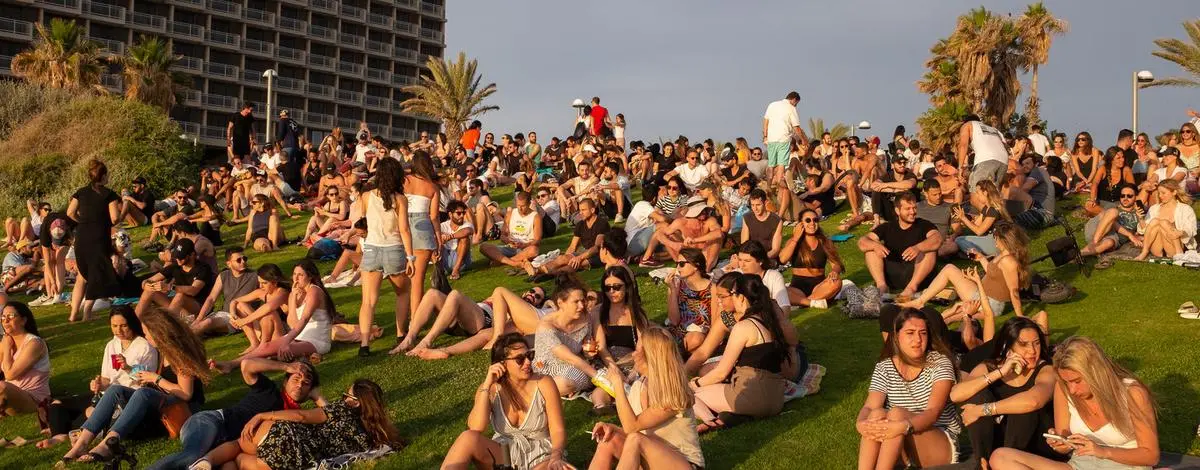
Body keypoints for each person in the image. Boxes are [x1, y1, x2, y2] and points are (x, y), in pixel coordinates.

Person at [62, 307, 211, 463]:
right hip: (165, 400)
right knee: (115, 390)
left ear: (158, 333)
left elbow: (186, 394)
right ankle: (81, 443)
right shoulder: (163, 351)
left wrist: (156, 379)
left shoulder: (180, 354)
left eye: (146, 333)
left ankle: (108, 444)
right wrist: (131, 370)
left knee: (143, 393)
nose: (145, 336)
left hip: (183, 407)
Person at [989, 337, 1160, 470]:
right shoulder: (1063, 388)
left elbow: (1151, 456)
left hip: (1126, 466)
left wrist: (1103, 451)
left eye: (1077, 381)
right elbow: (1065, 446)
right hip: (1079, 466)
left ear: (1095, 372)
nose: (1071, 389)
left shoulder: (1132, 393)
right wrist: (1061, 444)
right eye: (1066, 381)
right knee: (1001, 457)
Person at [147, 358, 320, 470]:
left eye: (306, 383)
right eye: (295, 379)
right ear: (285, 381)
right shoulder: (269, 390)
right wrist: (286, 366)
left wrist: (317, 396)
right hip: (213, 422)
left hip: (228, 448)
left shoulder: (297, 416)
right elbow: (247, 365)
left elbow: (330, 418)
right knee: (192, 456)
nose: (299, 385)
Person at [441, 334, 571, 470]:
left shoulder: (544, 383)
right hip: (505, 453)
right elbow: (476, 427)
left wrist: (556, 456)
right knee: (467, 438)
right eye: (520, 359)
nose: (528, 362)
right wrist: (487, 385)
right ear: (502, 363)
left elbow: (558, 430)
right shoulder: (491, 389)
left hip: (542, 454)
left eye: (529, 355)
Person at [856, 308, 962, 470]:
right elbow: (870, 406)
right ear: (897, 336)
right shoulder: (885, 367)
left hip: (938, 442)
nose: (918, 339)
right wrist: (861, 424)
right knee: (876, 415)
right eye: (910, 333)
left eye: (923, 333)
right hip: (898, 439)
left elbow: (933, 412)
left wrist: (904, 426)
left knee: (896, 414)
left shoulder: (940, 363)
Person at [40, 307, 159, 449]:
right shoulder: (112, 345)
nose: (118, 331)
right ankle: (60, 434)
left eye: (123, 326)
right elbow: (106, 378)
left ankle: (63, 432)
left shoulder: (144, 347)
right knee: (57, 404)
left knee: (89, 413)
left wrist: (128, 368)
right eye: (114, 326)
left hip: (126, 397)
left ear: (132, 324)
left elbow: (146, 381)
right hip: (105, 393)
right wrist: (98, 384)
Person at [589, 327, 706, 469]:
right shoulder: (639, 385)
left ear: (650, 356)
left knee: (635, 439)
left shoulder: (673, 392)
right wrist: (612, 428)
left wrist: (618, 385)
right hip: (652, 456)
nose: (633, 354)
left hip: (683, 463)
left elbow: (632, 427)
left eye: (637, 350)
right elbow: (637, 428)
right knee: (609, 440)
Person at [950, 317, 1057, 467]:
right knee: (977, 395)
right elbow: (955, 395)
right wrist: (1000, 372)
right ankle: (983, 462)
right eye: (1023, 344)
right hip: (997, 446)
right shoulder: (992, 366)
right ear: (1008, 346)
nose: (1032, 351)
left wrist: (981, 410)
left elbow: (1033, 401)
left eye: (1036, 343)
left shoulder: (1046, 370)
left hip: (1035, 448)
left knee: (1022, 407)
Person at [689, 274, 790, 433]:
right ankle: (735, 416)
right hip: (776, 399)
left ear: (741, 297)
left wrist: (693, 385)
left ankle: (711, 421)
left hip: (752, 397)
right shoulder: (769, 319)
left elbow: (720, 373)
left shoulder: (743, 327)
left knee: (690, 395)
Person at [231, 378, 402, 470]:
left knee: (237, 449)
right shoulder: (369, 438)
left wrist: (263, 415)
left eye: (346, 396)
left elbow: (301, 416)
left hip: (285, 436)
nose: (343, 399)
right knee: (239, 462)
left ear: (356, 402)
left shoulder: (342, 409)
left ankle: (213, 460)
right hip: (298, 460)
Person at [214, 261, 335, 370]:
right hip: (298, 336)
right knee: (268, 348)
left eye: (300, 275)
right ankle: (236, 362)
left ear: (310, 276)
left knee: (273, 349)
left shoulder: (314, 291)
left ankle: (232, 364)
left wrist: (286, 341)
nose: (296, 278)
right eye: (294, 274)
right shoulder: (294, 293)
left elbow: (304, 319)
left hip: (316, 340)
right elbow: (292, 323)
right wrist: (293, 297)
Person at [903, 222, 1030, 321]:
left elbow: (1013, 290)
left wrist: (1019, 315)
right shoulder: (1002, 254)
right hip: (982, 294)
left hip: (991, 303)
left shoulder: (1009, 261)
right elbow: (993, 273)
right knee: (949, 269)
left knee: (954, 313)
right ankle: (920, 302)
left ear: (1003, 240)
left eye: (995, 238)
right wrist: (981, 258)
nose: (994, 241)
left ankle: (923, 305)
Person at [357, 157, 415, 357]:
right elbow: (404, 230)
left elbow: (363, 221)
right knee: (403, 293)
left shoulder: (366, 196)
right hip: (394, 249)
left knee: (368, 301)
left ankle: (364, 344)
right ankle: (400, 334)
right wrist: (410, 257)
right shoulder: (400, 199)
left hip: (372, 249)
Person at [66, 159, 122, 322]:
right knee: (96, 275)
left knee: (82, 276)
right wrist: (123, 209)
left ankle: (73, 315)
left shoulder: (81, 192)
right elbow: (115, 218)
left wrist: (83, 222)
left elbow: (70, 212)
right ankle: (87, 314)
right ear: (103, 176)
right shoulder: (109, 194)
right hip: (98, 237)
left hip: (81, 236)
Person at [857, 193, 941, 300]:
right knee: (871, 250)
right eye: (908, 209)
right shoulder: (888, 226)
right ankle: (882, 287)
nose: (912, 212)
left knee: (930, 250)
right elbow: (862, 242)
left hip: (916, 272)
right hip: (892, 272)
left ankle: (911, 289)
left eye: (914, 208)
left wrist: (918, 248)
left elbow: (937, 239)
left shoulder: (924, 225)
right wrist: (875, 245)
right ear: (897, 210)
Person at [590, 266, 650, 411]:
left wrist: (634, 371)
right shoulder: (598, 311)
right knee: (601, 392)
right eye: (607, 288)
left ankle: (623, 403)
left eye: (616, 287)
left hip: (634, 360)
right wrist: (615, 370)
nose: (611, 292)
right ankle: (602, 407)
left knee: (642, 384)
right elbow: (602, 348)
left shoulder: (636, 312)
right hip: (608, 361)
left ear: (626, 287)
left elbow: (642, 346)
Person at [533, 281, 599, 396]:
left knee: (571, 379)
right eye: (576, 302)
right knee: (563, 384)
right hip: (546, 368)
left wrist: (588, 353)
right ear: (560, 303)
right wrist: (598, 377)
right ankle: (545, 390)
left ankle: (558, 390)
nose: (581, 306)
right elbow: (568, 357)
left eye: (582, 300)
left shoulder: (586, 318)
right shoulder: (546, 326)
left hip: (574, 366)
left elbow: (586, 349)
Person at [524, 198, 608, 280]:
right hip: (584, 252)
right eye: (580, 210)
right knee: (562, 258)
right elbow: (572, 246)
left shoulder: (601, 223)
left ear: (592, 210)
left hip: (600, 254)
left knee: (575, 264)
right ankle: (537, 271)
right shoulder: (580, 225)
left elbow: (596, 248)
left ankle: (549, 275)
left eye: (583, 210)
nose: (580, 213)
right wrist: (566, 257)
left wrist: (579, 258)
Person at [778, 209, 845, 308]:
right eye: (808, 220)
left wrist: (835, 271)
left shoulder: (825, 242)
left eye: (815, 220)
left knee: (837, 282)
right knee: (777, 290)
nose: (812, 223)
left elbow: (836, 264)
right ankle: (812, 302)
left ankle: (804, 302)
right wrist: (795, 238)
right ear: (800, 224)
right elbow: (782, 259)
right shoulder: (793, 242)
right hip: (797, 288)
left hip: (819, 287)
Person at [134, 239, 214, 320]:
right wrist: (146, 285)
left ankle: (170, 323)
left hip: (199, 306)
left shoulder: (203, 268)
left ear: (192, 255)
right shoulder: (176, 266)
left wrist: (170, 287)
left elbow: (194, 290)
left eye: (181, 257)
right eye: (177, 256)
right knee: (149, 291)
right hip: (178, 306)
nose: (178, 259)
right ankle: (134, 322)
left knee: (180, 296)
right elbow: (148, 280)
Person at [0, 302, 50, 421]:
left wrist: (7, 349)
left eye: (11, 316)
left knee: (2, 387)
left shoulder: (34, 343)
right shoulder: (7, 341)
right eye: (3, 317)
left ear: (23, 320)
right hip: (10, 395)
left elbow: (10, 375)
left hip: (32, 398)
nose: (6, 320)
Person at [192, 248, 259, 336]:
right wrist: (199, 318)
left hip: (242, 314)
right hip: (225, 315)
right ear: (229, 264)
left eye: (244, 258)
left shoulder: (255, 276)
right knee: (200, 322)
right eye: (238, 260)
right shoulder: (224, 275)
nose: (243, 261)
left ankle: (185, 339)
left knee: (207, 322)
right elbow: (211, 299)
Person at [1134, 179, 1197, 260]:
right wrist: (1141, 218)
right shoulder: (1154, 208)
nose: (1160, 196)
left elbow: (1191, 229)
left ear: (1174, 192)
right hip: (1157, 249)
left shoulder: (1185, 209)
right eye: (1159, 193)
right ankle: (1144, 252)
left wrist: (1180, 232)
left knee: (1164, 222)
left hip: (1174, 247)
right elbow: (1144, 231)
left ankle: (1179, 253)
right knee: (1155, 221)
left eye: (1163, 193)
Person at [480, 191, 542, 271]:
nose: (520, 208)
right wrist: (508, 241)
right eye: (518, 205)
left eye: (523, 206)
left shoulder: (535, 217)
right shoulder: (510, 213)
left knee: (534, 250)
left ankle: (502, 261)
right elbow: (503, 235)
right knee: (483, 246)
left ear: (529, 204)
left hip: (525, 247)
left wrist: (524, 245)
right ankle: (514, 262)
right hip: (510, 246)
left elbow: (537, 240)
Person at [1082, 184, 1144, 257]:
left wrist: (1140, 218)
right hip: (1097, 228)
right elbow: (1108, 221)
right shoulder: (1114, 206)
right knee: (1113, 212)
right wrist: (1130, 235)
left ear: (1136, 197)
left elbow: (1144, 231)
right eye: (1122, 196)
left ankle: (1077, 255)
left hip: (1113, 237)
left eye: (1129, 196)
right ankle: (1094, 242)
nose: (1125, 198)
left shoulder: (1138, 212)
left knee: (1109, 243)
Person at [954, 180, 1011, 256]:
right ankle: (974, 253)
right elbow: (976, 225)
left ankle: (980, 256)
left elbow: (979, 231)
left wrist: (964, 218)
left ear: (985, 193)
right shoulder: (986, 208)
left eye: (978, 193)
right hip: (989, 238)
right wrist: (963, 218)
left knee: (959, 241)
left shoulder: (993, 210)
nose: (976, 196)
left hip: (997, 242)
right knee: (960, 239)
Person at [729, 240, 791, 311]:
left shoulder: (773, 277)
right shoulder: (735, 275)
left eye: (747, 261)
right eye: (740, 260)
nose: (742, 265)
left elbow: (784, 306)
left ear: (760, 261)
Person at [763, 91, 806, 188]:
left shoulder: (772, 104)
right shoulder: (791, 108)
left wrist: (765, 136)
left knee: (771, 165)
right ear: (794, 99)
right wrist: (803, 140)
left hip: (771, 139)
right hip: (784, 139)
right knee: (781, 165)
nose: (796, 105)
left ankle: (768, 187)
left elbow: (765, 121)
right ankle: (780, 184)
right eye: (796, 103)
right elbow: (796, 127)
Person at [957, 115, 1009, 189]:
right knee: (993, 191)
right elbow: (1005, 146)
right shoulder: (994, 129)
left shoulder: (967, 125)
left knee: (977, 190)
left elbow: (963, 145)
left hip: (986, 159)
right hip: (1004, 160)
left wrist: (960, 168)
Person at [916, 179, 961, 257]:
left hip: (940, 244)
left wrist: (952, 237)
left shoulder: (952, 207)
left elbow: (958, 230)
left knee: (953, 246)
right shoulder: (916, 207)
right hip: (920, 242)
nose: (938, 197)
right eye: (934, 195)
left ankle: (927, 256)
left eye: (940, 193)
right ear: (926, 194)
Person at [1014, 153, 1057, 230]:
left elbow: (1024, 189)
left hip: (1042, 214)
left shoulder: (1037, 171)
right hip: (1040, 213)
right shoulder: (1031, 174)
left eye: (1027, 163)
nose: (1024, 166)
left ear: (1035, 164)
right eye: (1022, 165)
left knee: (1005, 208)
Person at [740, 189, 783, 265]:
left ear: (765, 203)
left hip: (768, 256)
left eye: (758, 205)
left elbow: (775, 250)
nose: (755, 209)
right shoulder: (747, 217)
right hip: (750, 256)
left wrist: (761, 259)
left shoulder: (776, 220)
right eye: (752, 205)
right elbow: (744, 244)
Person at [440, 200, 475, 279]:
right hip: (446, 257)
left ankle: (456, 270)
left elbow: (468, 231)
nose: (462, 215)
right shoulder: (443, 225)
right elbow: (434, 233)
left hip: (462, 262)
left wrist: (450, 237)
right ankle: (439, 271)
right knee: (436, 240)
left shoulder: (467, 224)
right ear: (450, 214)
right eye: (458, 213)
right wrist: (441, 236)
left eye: (463, 213)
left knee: (464, 238)